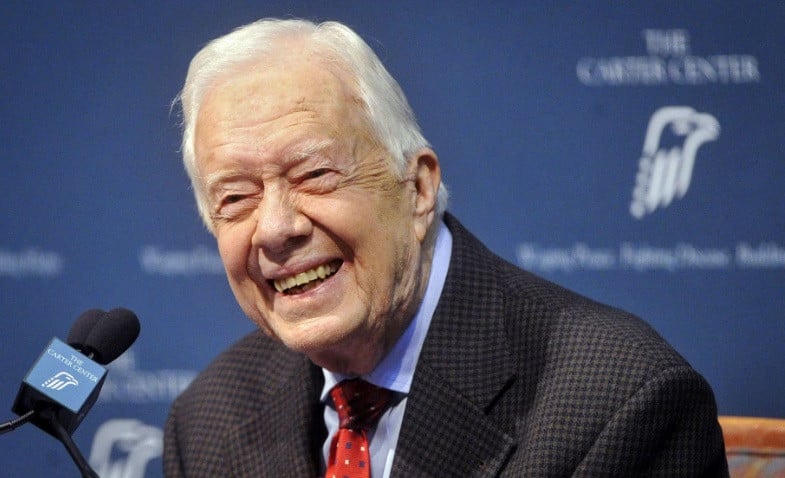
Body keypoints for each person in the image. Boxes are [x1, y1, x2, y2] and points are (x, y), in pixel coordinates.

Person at [163, 18, 728, 477]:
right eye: (235, 197)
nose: (275, 228)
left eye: (314, 174)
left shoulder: (619, 402)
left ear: (418, 189)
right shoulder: (208, 420)